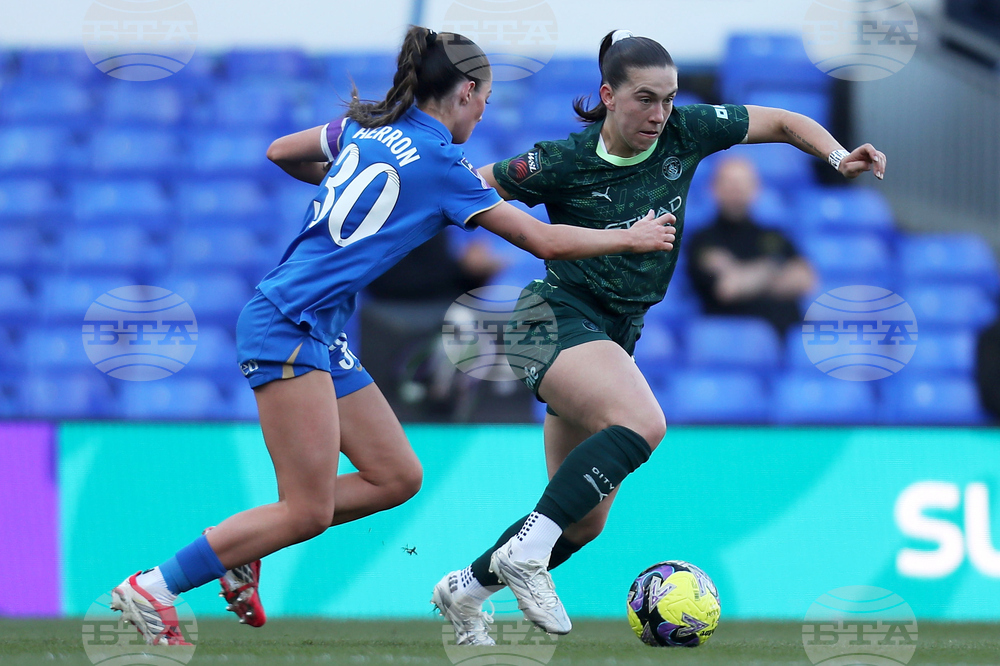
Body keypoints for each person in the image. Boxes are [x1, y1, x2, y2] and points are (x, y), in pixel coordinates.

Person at [107, 26, 677, 646]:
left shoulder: (364, 128)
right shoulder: (442, 165)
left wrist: (342, 178)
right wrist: (632, 235)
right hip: (288, 323)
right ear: (464, 90)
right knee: (306, 511)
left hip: (317, 327)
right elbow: (543, 240)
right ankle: (153, 587)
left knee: (396, 476)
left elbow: (280, 152)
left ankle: (247, 538)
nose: (485, 110)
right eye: (484, 96)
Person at [431, 29, 887, 645]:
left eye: (669, 99)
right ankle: (523, 556)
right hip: (551, 317)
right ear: (608, 96)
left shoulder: (684, 134)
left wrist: (837, 157)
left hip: (616, 332)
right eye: (645, 98)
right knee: (643, 422)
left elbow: (780, 121)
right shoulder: (559, 161)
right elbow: (464, 189)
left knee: (581, 523)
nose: (660, 113)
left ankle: (465, 591)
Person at [685, 156, 816, 336]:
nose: (736, 189)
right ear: (713, 189)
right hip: (729, 340)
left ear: (756, 189)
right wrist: (775, 269)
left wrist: (744, 276)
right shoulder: (703, 240)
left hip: (783, 336)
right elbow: (728, 288)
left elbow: (805, 280)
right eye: (730, 183)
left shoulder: (774, 236)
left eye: (742, 183)